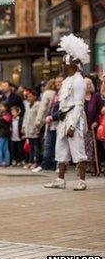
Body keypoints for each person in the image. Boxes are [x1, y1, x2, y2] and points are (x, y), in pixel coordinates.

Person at [45, 34, 89, 191]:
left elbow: (79, 105)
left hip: (73, 119)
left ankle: (82, 181)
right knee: (60, 150)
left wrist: (73, 125)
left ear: (72, 65)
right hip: (63, 119)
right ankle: (60, 179)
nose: (62, 66)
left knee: (78, 149)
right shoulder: (65, 80)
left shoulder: (78, 80)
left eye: (64, 64)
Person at [31, 79, 59, 173]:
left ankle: (45, 165)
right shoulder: (58, 93)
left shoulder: (47, 93)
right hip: (57, 122)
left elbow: (42, 108)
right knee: (57, 145)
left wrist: (38, 121)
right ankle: (56, 165)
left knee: (47, 145)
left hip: (49, 122)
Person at [83, 77, 102, 173]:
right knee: (83, 147)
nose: (89, 85)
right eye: (87, 84)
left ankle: (94, 166)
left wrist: (96, 122)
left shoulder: (96, 96)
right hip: (83, 127)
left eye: (90, 83)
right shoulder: (80, 97)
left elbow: (99, 110)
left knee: (93, 147)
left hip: (93, 126)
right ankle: (84, 166)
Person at [22, 89, 41, 169]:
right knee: (30, 147)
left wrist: (36, 127)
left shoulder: (38, 105)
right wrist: (23, 126)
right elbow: (26, 116)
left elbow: (38, 117)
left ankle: (36, 162)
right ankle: (30, 161)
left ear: (35, 97)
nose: (28, 98)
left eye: (30, 96)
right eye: (28, 97)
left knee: (36, 147)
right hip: (28, 128)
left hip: (34, 128)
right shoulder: (27, 105)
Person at [0, 101, 11, 167]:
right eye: (0, 106)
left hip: (1, 133)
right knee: (5, 148)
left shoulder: (6, 115)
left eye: (2, 106)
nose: (0, 108)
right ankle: (7, 162)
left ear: (6, 107)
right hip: (6, 134)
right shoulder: (7, 115)